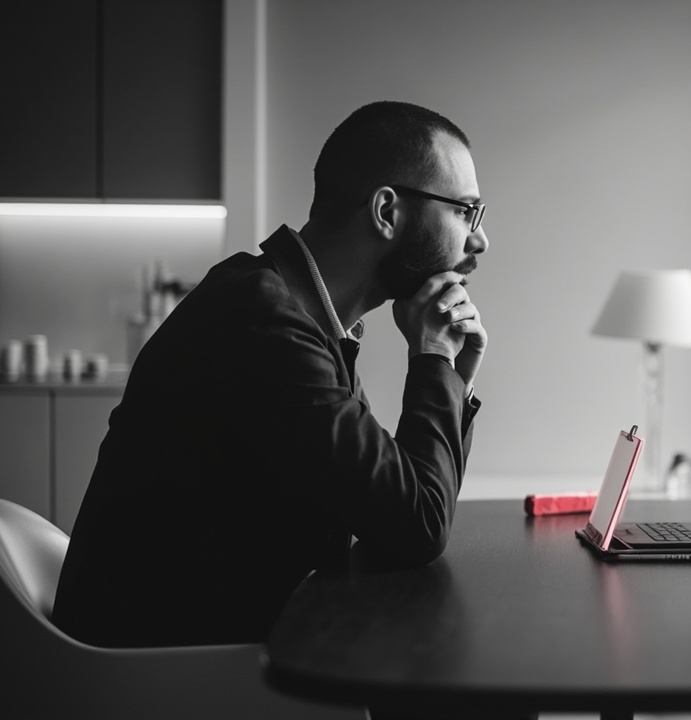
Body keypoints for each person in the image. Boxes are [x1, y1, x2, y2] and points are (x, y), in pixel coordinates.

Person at [52, 101, 489, 648]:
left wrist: (453, 377)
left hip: (217, 642)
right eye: (466, 212)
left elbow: (391, 506)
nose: (479, 241)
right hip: (162, 671)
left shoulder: (293, 313)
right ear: (386, 211)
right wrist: (433, 360)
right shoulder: (263, 323)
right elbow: (417, 525)